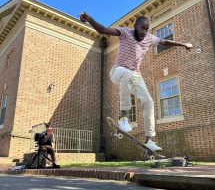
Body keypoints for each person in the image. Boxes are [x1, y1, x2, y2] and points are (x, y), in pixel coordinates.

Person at [80, 12, 193, 151]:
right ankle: (123, 118)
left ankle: (149, 140)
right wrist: (89, 19)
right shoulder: (124, 32)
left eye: (146, 29)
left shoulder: (150, 38)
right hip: (118, 71)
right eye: (142, 28)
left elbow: (165, 41)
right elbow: (103, 30)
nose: (144, 32)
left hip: (136, 75)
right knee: (127, 73)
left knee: (148, 102)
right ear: (135, 26)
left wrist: (183, 44)